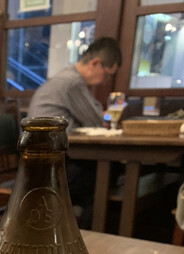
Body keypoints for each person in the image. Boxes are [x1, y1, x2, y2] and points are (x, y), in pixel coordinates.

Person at [27, 38, 123, 229]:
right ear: (95, 63)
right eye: (106, 75)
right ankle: (84, 229)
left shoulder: (66, 78)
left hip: (41, 162)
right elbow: (97, 120)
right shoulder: (72, 82)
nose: (104, 81)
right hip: (48, 167)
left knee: (106, 173)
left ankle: (75, 223)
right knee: (108, 173)